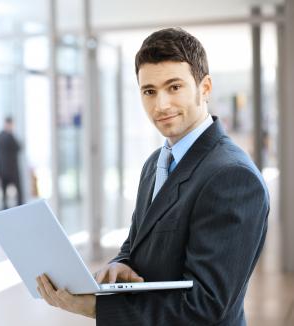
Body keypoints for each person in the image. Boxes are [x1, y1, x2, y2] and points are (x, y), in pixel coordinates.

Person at [36, 27, 269, 325]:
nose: (161, 105)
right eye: (149, 91)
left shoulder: (232, 177)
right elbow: (136, 242)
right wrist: (120, 265)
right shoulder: (156, 163)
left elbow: (207, 306)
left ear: (205, 88)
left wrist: (94, 308)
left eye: (174, 87)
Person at [0, 117, 23, 209]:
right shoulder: (2, 137)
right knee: (4, 192)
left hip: (11, 169)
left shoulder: (7, 136)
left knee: (18, 192)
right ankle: (5, 209)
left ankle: (19, 208)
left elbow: (19, 148)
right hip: (5, 170)